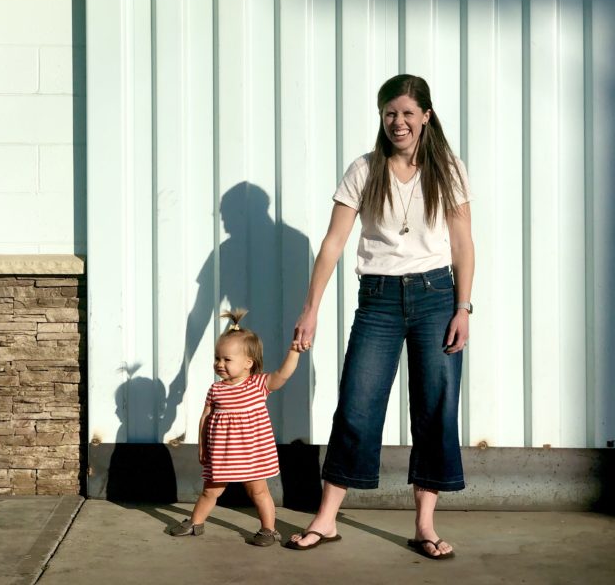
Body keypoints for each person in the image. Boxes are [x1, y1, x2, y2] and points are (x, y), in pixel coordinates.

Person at [286, 74, 474, 559]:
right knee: (357, 405)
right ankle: (327, 519)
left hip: (436, 297)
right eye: (391, 112)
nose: (399, 122)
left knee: (435, 408)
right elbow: (333, 243)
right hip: (379, 300)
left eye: (409, 112)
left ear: (426, 116)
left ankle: (425, 526)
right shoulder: (364, 169)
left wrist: (463, 307)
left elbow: (462, 244)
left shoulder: (447, 169)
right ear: (381, 117)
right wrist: (311, 310)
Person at [170, 309, 307, 546]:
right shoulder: (216, 389)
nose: (219, 364)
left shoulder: (257, 385)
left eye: (227, 360)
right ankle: (195, 523)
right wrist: (202, 447)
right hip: (222, 454)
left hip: (250, 454)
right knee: (210, 491)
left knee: (258, 492)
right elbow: (205, 417)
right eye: (217, 358)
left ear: (248, 363)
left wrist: (294, 351)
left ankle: (268, 529)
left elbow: (283, 375)